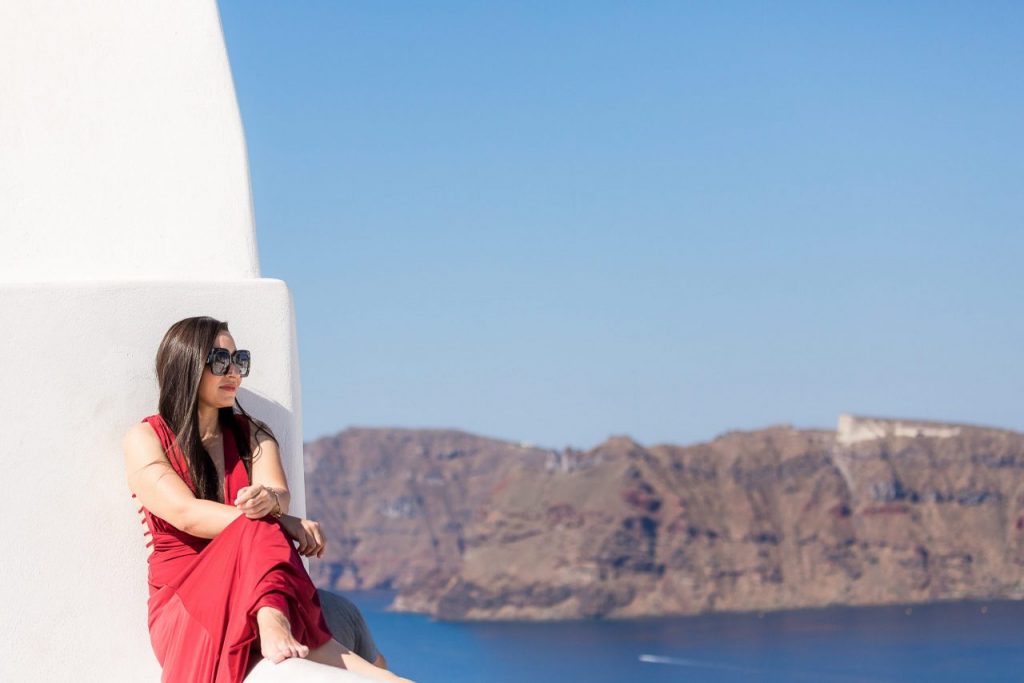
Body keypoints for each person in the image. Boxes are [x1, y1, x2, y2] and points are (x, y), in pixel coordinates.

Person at [123, 315, 413, 682]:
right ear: (187, 364)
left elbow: (278, 494)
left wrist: (272, 506)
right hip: (185, 600)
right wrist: (280, 521)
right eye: (220, 361)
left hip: (257, 578)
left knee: (344, 612)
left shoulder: (254, 435)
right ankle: (272, 619)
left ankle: (378, 674)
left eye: (239, 360)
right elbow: (186, 515)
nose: (234, 372)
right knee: (258, 530)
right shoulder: (146, 438)